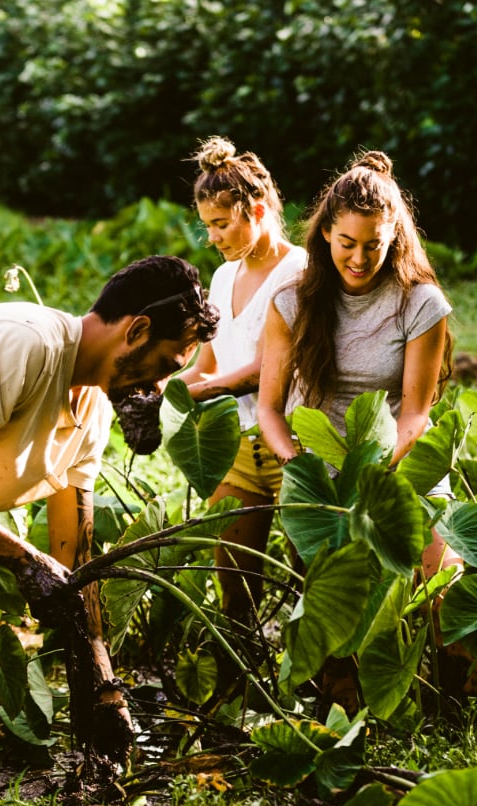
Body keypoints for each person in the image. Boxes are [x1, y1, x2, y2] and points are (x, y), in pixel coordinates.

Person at [0, 255, 219, 802]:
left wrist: (104, 685)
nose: (156, 388)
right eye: (162, 366)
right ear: (135, 330)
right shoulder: (29, 343)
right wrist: (22, 558)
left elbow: (72, 564)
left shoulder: (93, 415)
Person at [258, 150, 463, 712]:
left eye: (374, 244)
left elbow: (416, 413)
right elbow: (270, 409)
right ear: (325, 232)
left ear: (394, 236)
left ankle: (456, 698)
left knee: (441, 581)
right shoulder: (292, 301)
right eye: (347, 242)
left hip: (394, 456)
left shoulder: (420, 303)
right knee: (336, 594)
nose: (359, 257)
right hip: (317, 466)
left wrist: (376, 473)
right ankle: (340, 693)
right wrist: (297, 464)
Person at [178, 137, 307, 626]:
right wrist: (160, 388)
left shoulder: (298, 272)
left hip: (292, 443)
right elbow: (205, 364)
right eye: (207, 225)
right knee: (233, 582)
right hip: (234, 444)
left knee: (309, 582)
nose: (212, 237)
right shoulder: (223, 276)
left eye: (220, 224)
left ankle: (322, 693)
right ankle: (241, 689)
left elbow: (264, 370)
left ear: (255, 210)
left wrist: (190, 393)